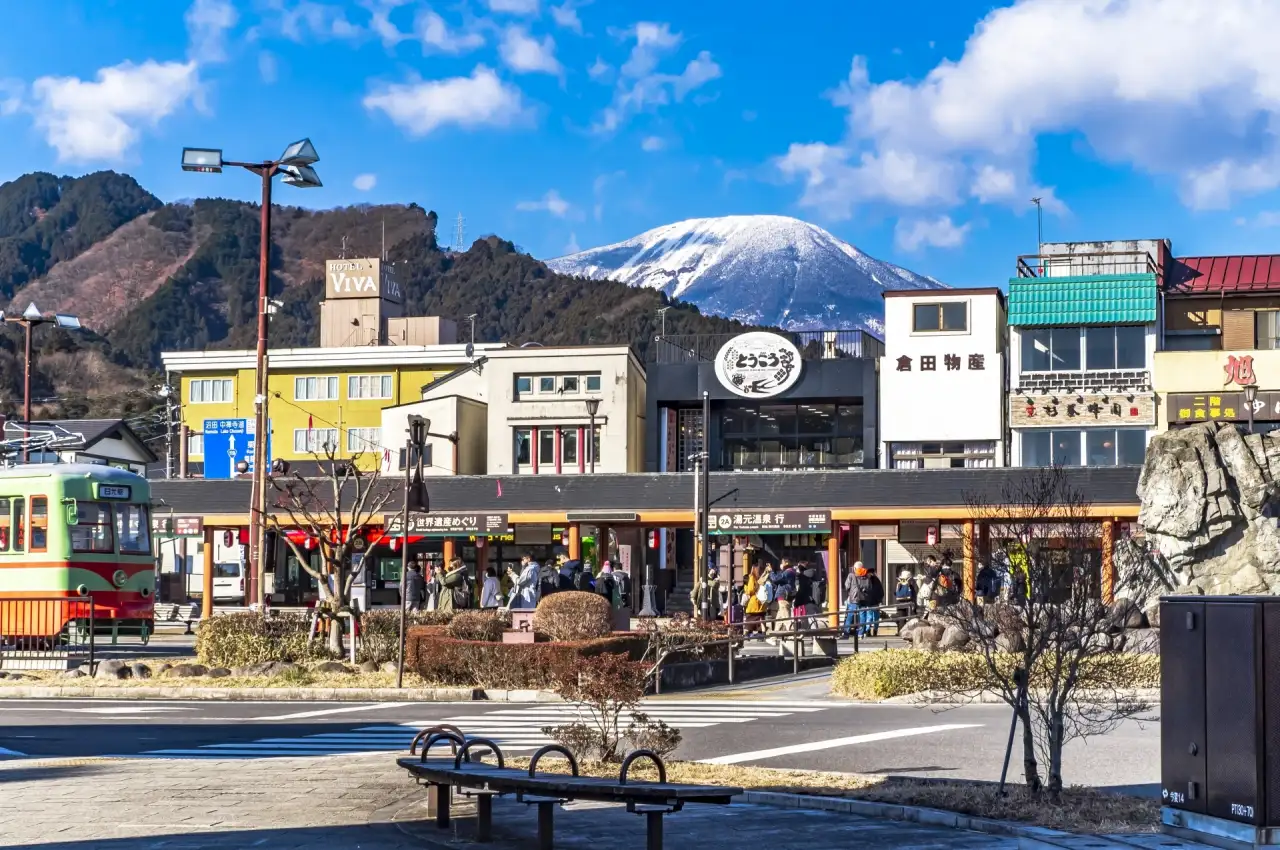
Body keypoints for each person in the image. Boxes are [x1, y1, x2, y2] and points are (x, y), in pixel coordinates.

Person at [858, 565, 885, 637]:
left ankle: (871, 630)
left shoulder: (869, 580)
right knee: (872, 617)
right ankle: (869, 630)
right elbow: (881, 591)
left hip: (872, 601)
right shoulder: (874, 580)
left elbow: (880, 591)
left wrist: (879, 599)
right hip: (872, 602)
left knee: (873, 617)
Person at [743, 565, 767, 636]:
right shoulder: (761, 578)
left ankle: (747, 633)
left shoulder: (752, 577)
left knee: (749, 618)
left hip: (753, 601)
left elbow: (750, 590)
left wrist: (746, 588)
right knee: (761, 618)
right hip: (761, 601)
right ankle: (763, 633)